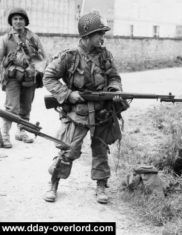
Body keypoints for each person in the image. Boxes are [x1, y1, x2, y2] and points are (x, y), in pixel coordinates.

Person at [43, 11, 127, 204]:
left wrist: (115, 90)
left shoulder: (106, 55)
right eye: (100, 34)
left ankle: (100, 187)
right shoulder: (70, 56)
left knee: (101, 150)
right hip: (77, 112)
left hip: (102, 112)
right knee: (68, 150)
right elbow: (48, 76)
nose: (102, 38)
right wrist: (67, 94)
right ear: (87, 35)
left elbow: (114, 77)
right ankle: (53, 184)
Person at [0, 7, 45, 148]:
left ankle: (22, 131)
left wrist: (36, 67)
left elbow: (43, 58)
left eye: (21, 19)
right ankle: (5, 135)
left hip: (29, 77)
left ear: (25, 21)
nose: (18, 21)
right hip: (12, 77)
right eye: (15, 19)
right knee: (11, 107)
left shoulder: (34, 38)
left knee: (26, 106)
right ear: (11, 22)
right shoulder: (5, 39)